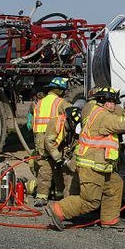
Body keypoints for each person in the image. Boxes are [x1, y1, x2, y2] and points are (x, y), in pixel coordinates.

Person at [45, 87, 125, 231]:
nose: (114, 105)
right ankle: (58, 210)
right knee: (90, 201)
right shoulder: (103, 117)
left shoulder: (97, 111)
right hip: (92, 166)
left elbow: (120, 116)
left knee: (115, 185)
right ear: (103, 101)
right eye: (112, 102)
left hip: (101, 165)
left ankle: (109, 219)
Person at [32, 77, 71, 207]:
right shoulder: (61, 102)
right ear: (59, 90)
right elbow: (71, 117)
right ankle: (59, 194)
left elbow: (33, 122)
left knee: (44, 167)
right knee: (59, 165)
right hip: (55, 138)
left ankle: (42, 196)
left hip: (39, 138)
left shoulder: (39, 102)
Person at [43, 106, 82, 199]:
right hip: (47, 152)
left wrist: (67, 159)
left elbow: (74, 143)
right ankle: (41, 196)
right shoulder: (55, 123)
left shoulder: (74, 127)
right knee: (45, 172)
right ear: (69, 121)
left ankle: (65, 198)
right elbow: (49, 142)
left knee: (67, 173)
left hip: (61, 151)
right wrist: (57, 158)